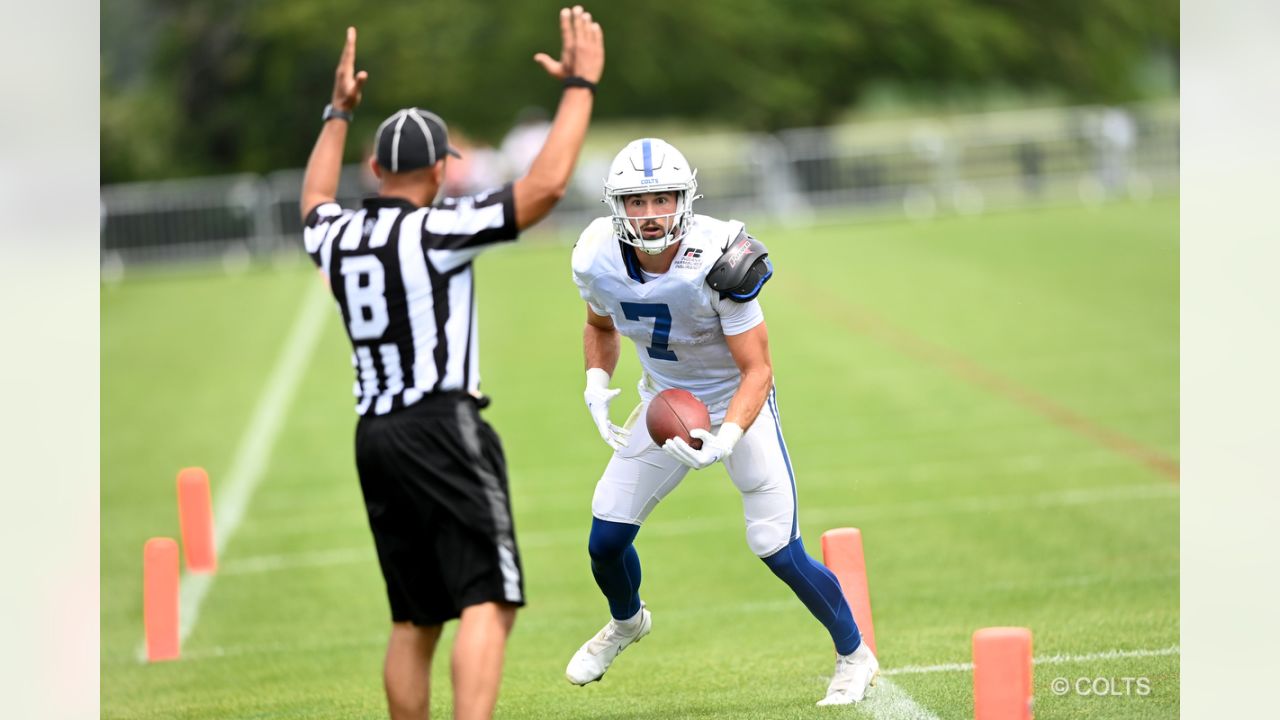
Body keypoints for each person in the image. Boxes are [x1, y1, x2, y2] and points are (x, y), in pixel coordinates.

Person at [299, 9, 604, 719]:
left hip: (373, 435)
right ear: (441, 169)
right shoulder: (437, 228)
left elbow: (313, 199)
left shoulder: (337, 235)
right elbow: (544, 190)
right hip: (441, 423)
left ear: (375, 169)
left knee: (415, 619)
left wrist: (336, 113)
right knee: (488, 600)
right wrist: (581, 86)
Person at [566, 138, 879, 705]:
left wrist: (727, 436)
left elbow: (757, 369)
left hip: (737, 403)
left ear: (685, 199)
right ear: (617, 206)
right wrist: (595, 380)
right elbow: (601, 324)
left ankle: (855, 654)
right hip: (667, 405)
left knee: (775, 547)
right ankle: (628, 622)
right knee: (606, 539)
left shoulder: (719, 257)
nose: (652, 213)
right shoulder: (596, 254)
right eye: (637, 201)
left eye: (663, 198)